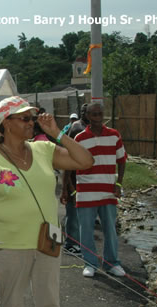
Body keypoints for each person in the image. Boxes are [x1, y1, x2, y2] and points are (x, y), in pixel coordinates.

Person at [0, 96, 93, 307]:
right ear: (6, 123)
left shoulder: (44, 149)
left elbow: (86, 160)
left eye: (33, 118)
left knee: (50, 303)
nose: (32, 123)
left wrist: (57, 133)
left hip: (50, 240)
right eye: (25, 118)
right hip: (8, 246)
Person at [74, 102, 127, 278]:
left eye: (100, 114)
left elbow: (122, 160)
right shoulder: (80, 138)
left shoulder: (114, 135)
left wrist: (118, 184)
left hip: (108, 191)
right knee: (86, 229)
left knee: (110, 228)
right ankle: (90, 263)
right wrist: (68, 189)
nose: (97, 117)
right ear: (87, 116)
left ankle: (112, 263)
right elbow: (71, 165)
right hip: (86, 191)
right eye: (93, 114)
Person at [60, 104, 90, 254]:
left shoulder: (91, 128)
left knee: (79, 214)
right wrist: (67, 186)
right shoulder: (78, 128)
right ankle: (70, 243)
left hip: (85, 177)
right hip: (75, 178)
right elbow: (69, 159)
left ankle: (76, 241)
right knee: (73, 213)